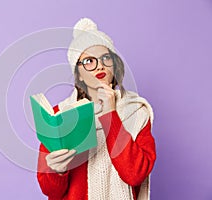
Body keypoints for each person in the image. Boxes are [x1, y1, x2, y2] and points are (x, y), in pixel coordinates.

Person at [37, 18, 156, 200]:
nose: (99, 65)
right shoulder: (60, 115)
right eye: (88, 61)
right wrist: (57, 171)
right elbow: (51, 191)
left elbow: (134, 175)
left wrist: (110, 113)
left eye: (106, 58)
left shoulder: (138, 112)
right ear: (79, 75)